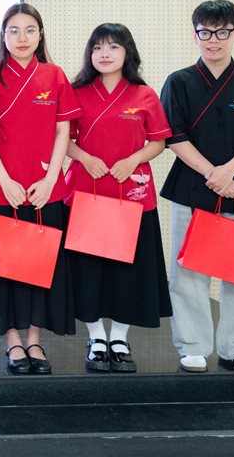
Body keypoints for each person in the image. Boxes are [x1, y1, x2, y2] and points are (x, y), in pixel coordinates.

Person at [160, 0, 234, 375]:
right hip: (192, 187)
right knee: (188, 272)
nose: (213, 39)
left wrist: (228, 173)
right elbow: (174, 137)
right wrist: (213, 174)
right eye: (205, 32)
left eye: (222, 32)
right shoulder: (178, 82)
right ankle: (193, 346)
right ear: (194, 34)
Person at [0, 2, 81, 375]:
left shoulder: (54, 75)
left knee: (39, 265)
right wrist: (5, 180)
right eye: (14, 30)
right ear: (3, 36)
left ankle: (34, 338)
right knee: (3, 267)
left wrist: (51, 180)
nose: (22, 38)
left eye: (29, 30)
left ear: (40, 35)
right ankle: (13, 341)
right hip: (1, 186)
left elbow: (63, 131)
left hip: (43, 188)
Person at [65, 24, 173, 373]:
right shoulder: (77, 92)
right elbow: (62, 140)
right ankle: (96, 337)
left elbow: (158, 141)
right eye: (97, 47)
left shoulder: (144, 94)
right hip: (88, 193)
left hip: (132, 195)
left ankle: (120, 338)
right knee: (89, 272)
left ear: (128, 52)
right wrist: (84, 158)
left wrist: (133, 159)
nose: (105, 54)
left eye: (113, 47)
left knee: (128, 272)